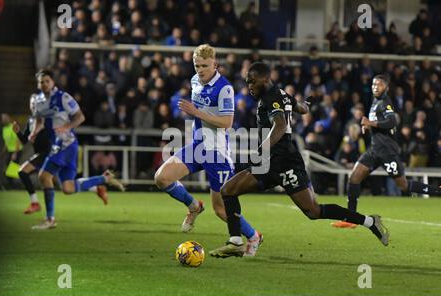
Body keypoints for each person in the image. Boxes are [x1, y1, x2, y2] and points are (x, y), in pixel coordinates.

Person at [209, 62, 389, 258]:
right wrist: (308, 102)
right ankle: (235, 241)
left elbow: (279, 125)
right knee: (228, 190)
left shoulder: (272, 97)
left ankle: (371, 222)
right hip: (268, 164)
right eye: (247, 82)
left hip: (286, 162)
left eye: (252, 81)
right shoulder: (283, 95)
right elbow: (302, 109)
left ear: (264, 79)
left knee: (313, 211)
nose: (249, 86)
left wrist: (262, 149)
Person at [154, 44, 262, 256]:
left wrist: (196, 112)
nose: (200, 69)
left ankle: (253, 236)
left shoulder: (224, 88)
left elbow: (227, 122)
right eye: (197, 65)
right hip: (197, 146)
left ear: (215, 64)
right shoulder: (195, 81)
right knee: (161, 178)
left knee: (221, 209)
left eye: (204, 65)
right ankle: (194, 206)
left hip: (217, 153)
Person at [332, 74, 441, 228]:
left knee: (403, 185)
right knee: (354, 178)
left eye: (380, 85)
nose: (376, 87)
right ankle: (351, 219)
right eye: (374, 84)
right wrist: (369, 126)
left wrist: (370, 122)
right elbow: (381, 123)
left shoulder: (385, 102)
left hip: (387, 152)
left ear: (387, 88)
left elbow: (391, 121)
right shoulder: (375, 102)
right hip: (374, 150)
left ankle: (437, 191)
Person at [29, 69, 126, 230]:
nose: (44, 84)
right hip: (58, 145)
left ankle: (49, 219)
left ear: (53, 82)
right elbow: (40, 120)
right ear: (38, 84)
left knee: (44, 176)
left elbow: (80, 116)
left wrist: (66, 127)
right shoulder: (38, 102)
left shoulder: (63, 97)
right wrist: (34, 132)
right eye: (41, 82)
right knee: (68, 188)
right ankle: (103, 179)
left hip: (66, 144)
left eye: (47, 81)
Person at [1, 113, 22, 189]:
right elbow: (6, 142)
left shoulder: (13, 127)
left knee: (11, 169)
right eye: (2, 118)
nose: (4, 120)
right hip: (10, 151)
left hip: (17, 150)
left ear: (9, 118)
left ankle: (15, 185)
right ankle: (12, 185)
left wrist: (15, 153)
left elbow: (18, 140)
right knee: (9, 169)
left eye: (5, 118)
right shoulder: (4, 129)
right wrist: (3, 152)